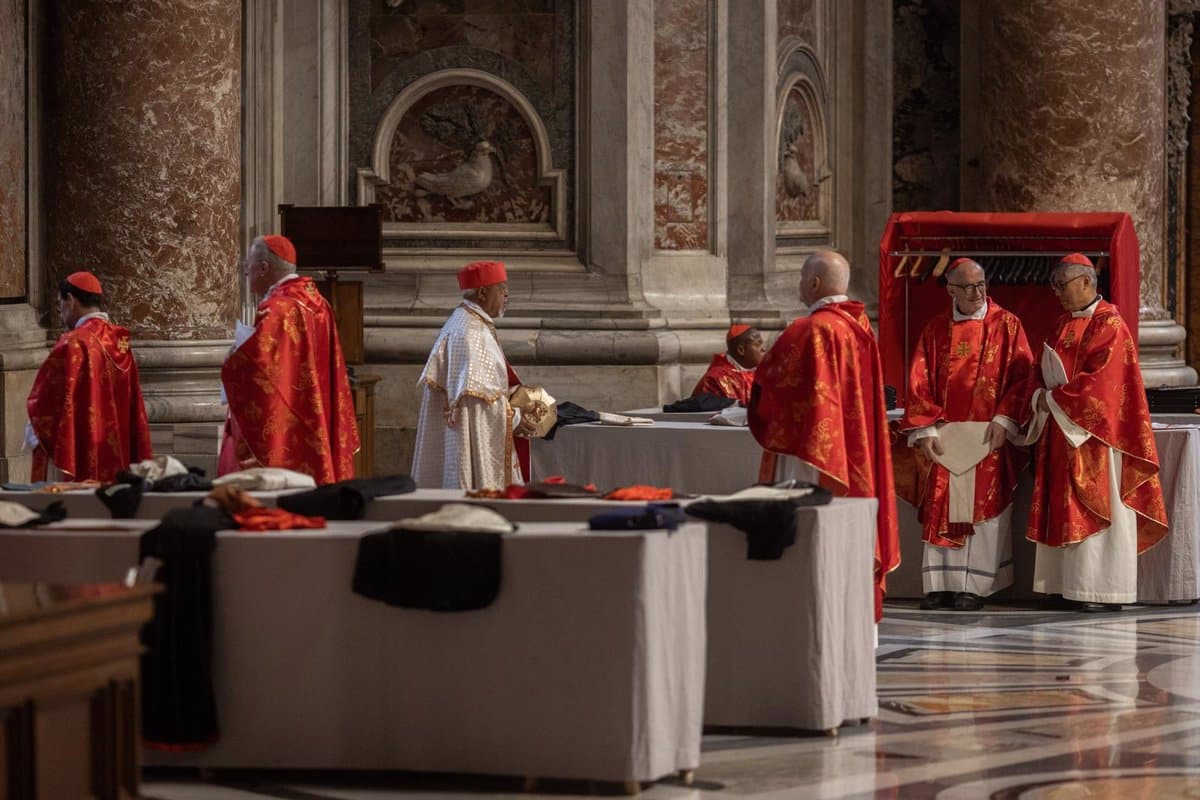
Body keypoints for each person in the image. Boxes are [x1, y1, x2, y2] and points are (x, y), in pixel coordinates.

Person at [748, 250, 900, 622]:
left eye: (802, 280)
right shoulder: (861, 328)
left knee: (810, 533)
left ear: (815, 283)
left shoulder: (807, 330)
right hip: (852, 452)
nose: (800, 286)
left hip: (809, 456)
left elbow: (767, 387)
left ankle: (806, 609)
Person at [1024, 253, 1167, 611]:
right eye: (1054, 285)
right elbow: (1041, 370)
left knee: (1097, 506)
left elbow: (1103, 384)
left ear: (1086, 282)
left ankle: (1098, 590)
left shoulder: (1111, 325)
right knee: (1061, 505)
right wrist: (1041, 393)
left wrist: (1053, 398)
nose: (1057, 292)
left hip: (1098, 437)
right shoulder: (1060, 324)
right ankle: (1060, 585)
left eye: (1063, 285)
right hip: (1061, 431)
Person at [900, 258, 1035, 611]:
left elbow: (1023, 377)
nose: (977, 293)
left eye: (981, 285)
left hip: (987, 435)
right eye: (968, 287)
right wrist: (927, 428)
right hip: (946, 435)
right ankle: (940, 585)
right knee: (941, 507)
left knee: (981, 510)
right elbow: (919, 380)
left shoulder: (1007, 325)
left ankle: (974, 586)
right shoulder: (935, 330)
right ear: (951, 290)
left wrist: (1005, 419)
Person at [219, 235, 359, 485]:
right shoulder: (317, 301)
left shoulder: (277, 308)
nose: (246, 273)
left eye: (248, 266)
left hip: (288, 419)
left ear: (263, 268)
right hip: (315, 409)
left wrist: (234, 358)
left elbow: (261, 368)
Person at [412, 260, 544, 490]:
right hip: (468, 439)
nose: (507, 296)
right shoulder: (471, 334)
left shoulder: (466, 323)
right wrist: (519, 415)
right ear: (483, 292)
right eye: (502, 290)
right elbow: (480, 404)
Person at [26, 271, 153, 482]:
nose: (60, 313)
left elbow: (46, 402)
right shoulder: (119, 341)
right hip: (116, 444)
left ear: (71, 300)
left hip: (83, 447)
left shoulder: (73, 342)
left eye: (60, 305)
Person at [691, 324, 765, 405]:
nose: (764, 349)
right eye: (758, 344)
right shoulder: (715, 379)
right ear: (741, 350)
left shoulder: (761, 374)